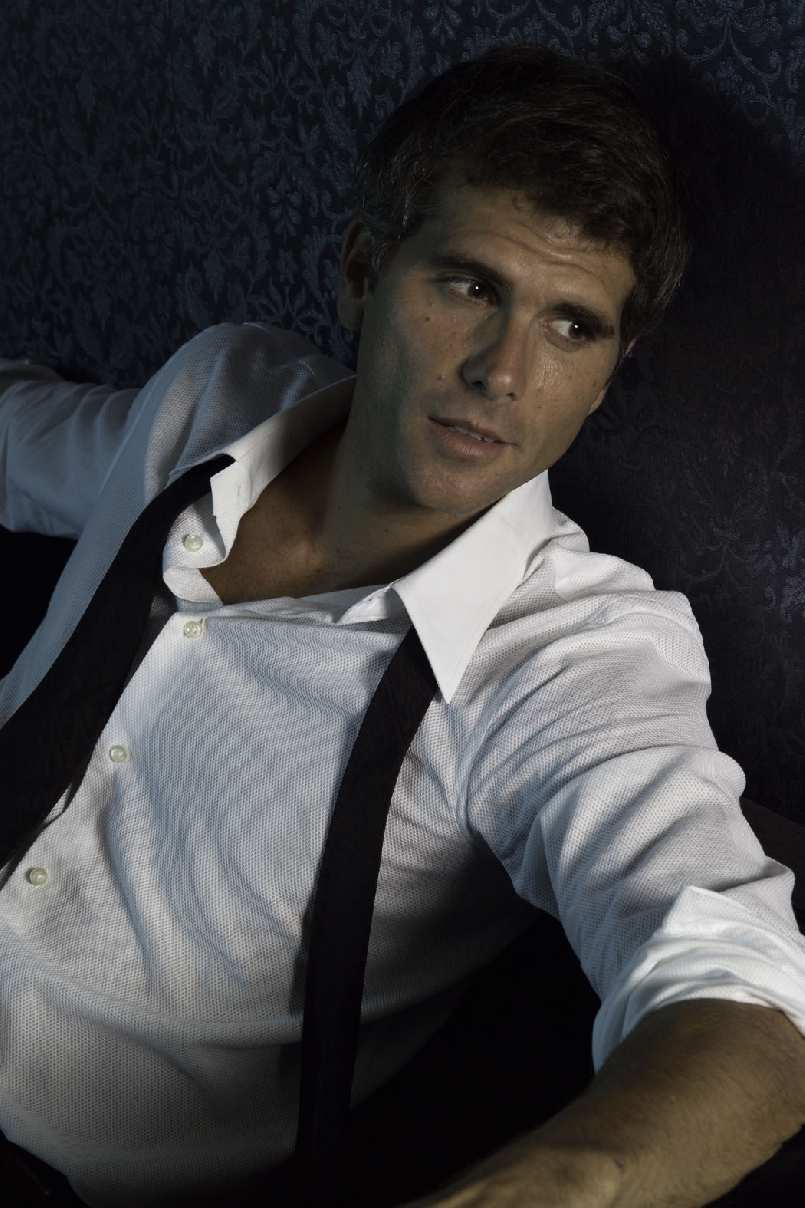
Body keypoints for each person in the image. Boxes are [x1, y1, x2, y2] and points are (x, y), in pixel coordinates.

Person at [0, 41, 804, 1208]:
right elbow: (23, 442)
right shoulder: (214, 395)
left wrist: (557, 1181)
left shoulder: (572, 652)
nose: (502, 372)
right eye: (469, 287)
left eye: (570, 326)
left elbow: (739, 987)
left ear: (608, 370)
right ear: (363, 271)